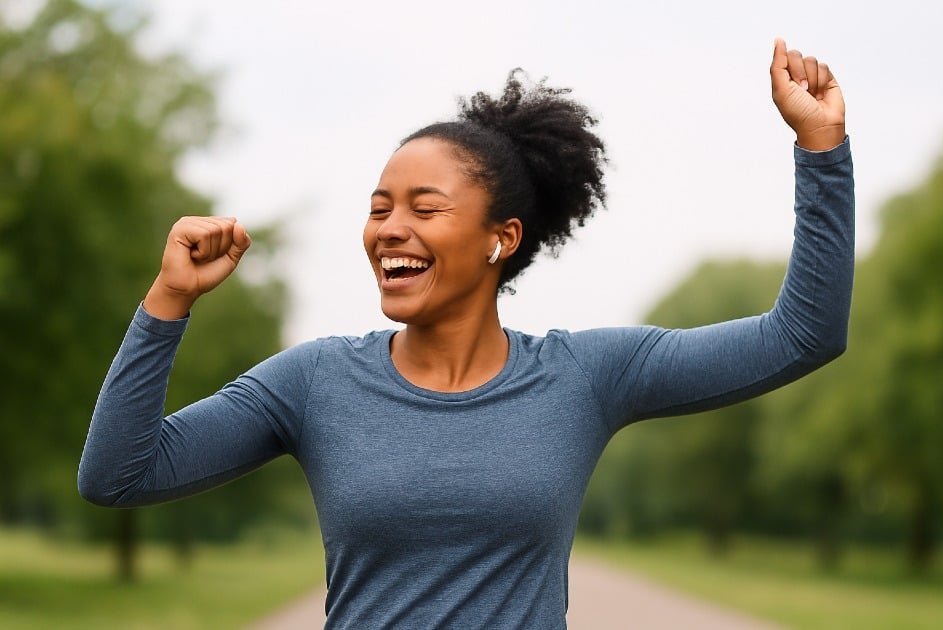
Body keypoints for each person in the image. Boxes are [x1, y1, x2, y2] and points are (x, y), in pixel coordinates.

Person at [79, 38, 853, 628]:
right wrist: (167, 301)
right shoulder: (311, 383)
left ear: (500, 238)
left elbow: (801, 335)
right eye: (379, 208)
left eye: (424, 207)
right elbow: (117, 475)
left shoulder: (586, 376)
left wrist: (820, 151)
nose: (390, 229)